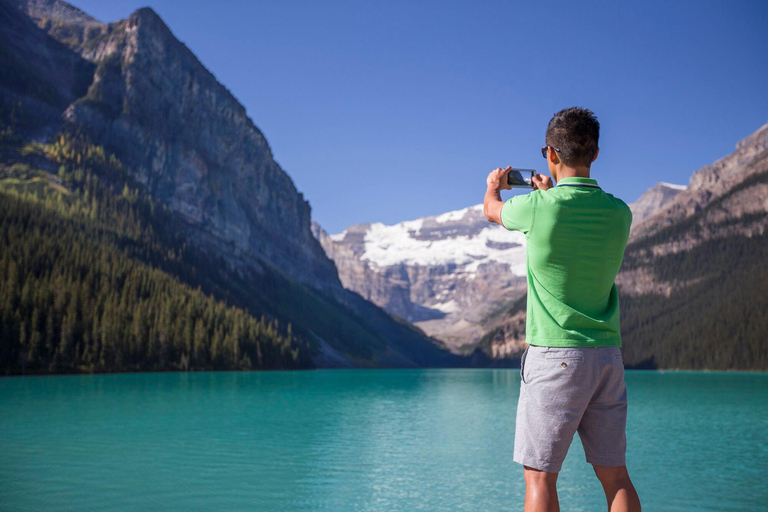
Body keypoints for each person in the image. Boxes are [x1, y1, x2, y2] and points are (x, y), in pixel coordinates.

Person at [483, 107, 641, 512]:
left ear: (549, 153)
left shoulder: (538, 209)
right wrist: (549, 193)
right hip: (608, 357)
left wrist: (494, 186)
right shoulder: (620, 213)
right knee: (615, 475)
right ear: (596, 153)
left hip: (556, 358)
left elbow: (492, 211)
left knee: (540, 477)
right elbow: (570, 223)